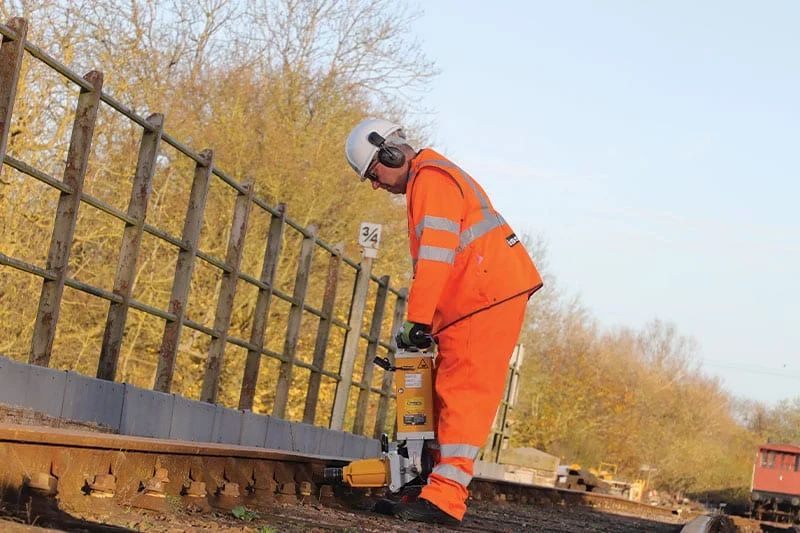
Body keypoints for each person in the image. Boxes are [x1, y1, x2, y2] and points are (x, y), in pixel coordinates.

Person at [344, 118, 543, 525]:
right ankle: (427, 486)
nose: (375, 185)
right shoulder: (427, 180)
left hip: (485, 296)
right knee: (439, 393)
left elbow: (437, 257)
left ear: (390, 153)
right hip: (475, 297)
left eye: (373, 174)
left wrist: (417, 320)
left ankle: (446, 498)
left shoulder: (431, 180)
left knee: (463, 393)